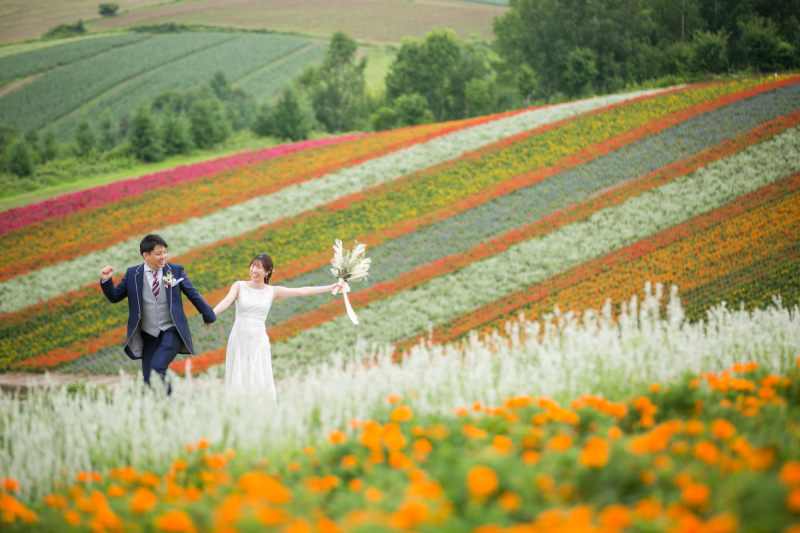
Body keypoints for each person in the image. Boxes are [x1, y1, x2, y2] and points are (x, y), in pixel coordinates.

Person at [213, 253, 343, 399]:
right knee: (239, 373)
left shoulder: (272, 291)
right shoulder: (239, 285)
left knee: (258, 375)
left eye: (259, 267)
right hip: (239, 337)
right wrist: (212, 314)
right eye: (253, 266)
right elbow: (226, 301)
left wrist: (329, 288)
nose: (254, 270)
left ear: (268, 272)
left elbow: (302, 291)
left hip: (258, 339)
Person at [99, 234, 216, 393]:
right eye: (158, 253)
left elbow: (192, 293)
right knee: (148, 378)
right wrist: (106, 281)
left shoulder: (175, 270)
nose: (163, 256)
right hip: (148, 335)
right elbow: (115, 297)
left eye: (164, 252)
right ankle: (159, 410)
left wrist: (208, 315)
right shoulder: (133, 274)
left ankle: (170, 404)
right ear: (145, 255)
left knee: (157, 367)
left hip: (171, 331)